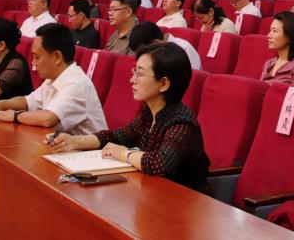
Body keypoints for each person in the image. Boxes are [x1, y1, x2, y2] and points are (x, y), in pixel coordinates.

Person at [49, 42, 210, 192]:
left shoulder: (182, 122)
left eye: (140, 74)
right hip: (153, 192)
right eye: (134, 72)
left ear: (163, 84)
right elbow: (116, 137)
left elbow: (160, 163)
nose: (132, 80)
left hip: (185, 201)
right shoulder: (149, 113)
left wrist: (124, 154)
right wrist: (75, 141)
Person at [0, 23, 107, 135]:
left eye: (37, 57)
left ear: (57, 57)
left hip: (85, 151)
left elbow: (48, 119)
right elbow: (27, 102)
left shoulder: (77, 84)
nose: (33, 63)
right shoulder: (53, 78)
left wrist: (15, 116)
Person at [129, 21, 202, 71]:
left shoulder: (184, 49)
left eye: (143, 53)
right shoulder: (159, 49)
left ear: (155, 43)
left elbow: (189, 80)